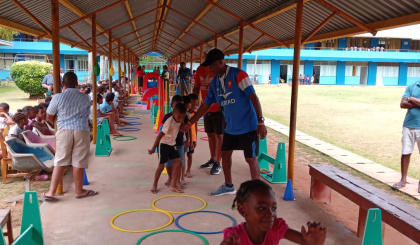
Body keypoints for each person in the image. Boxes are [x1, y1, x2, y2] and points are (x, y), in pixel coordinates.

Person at [181, 48, 267, 196]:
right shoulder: (215, 83)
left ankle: (256, 191)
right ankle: (228, 186)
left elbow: (254, 97)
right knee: (225, 155)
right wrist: (190, 122)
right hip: (231, 128)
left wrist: (261, 122)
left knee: (251, 159)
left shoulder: (239, 75)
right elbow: (205, 106)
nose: (210, 69)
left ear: (221, 62)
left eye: (212, 65)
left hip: (248, 127)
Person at [43, 71, 98, 200]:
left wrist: (57, 121)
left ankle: (51, 192)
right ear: (77, 84)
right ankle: (79, 191)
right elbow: (86, 115)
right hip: (81, 129)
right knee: (78, 161)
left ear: (63, 83)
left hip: (64, 130)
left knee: (60, 161)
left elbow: (49, 116)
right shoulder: (85, 97)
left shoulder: (57, 97)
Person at [220, 180, 327, 245]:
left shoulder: (275, 228)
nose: (270, 213)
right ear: (243, 210)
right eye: (261, 208)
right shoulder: (234, 236)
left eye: (274, 208)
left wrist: (315, 241)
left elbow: (306, 242)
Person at [193, 53, 224, 175]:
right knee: (210, 135)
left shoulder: (218, 71)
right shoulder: (200, 70)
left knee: (219, 136)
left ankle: (218, 162)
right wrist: (194, 102)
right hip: (205, 108)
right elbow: (196, 87)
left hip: (219, 109)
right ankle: (212, 158)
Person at [148, 103, 187, 194]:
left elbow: (180, 127)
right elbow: (159, 135)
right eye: (179, 117)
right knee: (161, 166)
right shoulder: (169, 122)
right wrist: (153, 148)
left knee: (178, 162)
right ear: (173, 113)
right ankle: (154, 184)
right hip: (164, 144)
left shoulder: (180, 120)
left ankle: (173, 185)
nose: (180, 120)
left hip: (172, 144)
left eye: (182, 117)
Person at [393, 82, 420, 193]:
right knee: (405, 153)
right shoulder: (412, 85)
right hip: (408, 125)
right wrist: (418, 102)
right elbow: (402, 104)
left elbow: (407, 101)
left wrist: (412, 99)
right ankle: (403, 180)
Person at [162, 95, 189, 188]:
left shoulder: (184, 117)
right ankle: (170, 178)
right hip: (169, 143)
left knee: (180, 162)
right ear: (172, 106)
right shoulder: (167, 117)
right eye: (176, 105)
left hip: (180, 143)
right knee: (168, 162)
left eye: (180, 105)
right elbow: (162, 131)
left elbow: (187, 129)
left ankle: (178, 180)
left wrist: (188, 140)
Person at [185, 93, 199, 178]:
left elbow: (196, 127)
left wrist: (195, 139)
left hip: (192, 139)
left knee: (190, 155)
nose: (194, 106)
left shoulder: (195, 114)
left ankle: (188, 170)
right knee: (182, 155)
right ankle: (181, 171)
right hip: (185, 139)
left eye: (196, 104)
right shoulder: (184, 114)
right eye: (192, 104)